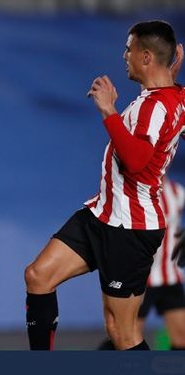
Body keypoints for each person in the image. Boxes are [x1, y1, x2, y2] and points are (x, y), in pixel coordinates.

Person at [24, 20, 185, 350]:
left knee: (121, 332)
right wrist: (171, 71)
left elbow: (137, 164)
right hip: (102, 215)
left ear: (146, 58)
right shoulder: (173, 96)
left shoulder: (155, 107)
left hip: (131, 229)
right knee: (38, 276)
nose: (123, 55)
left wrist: (108, 110)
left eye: (129, 49)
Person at [98, 176, 185, 350]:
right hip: (138, 278)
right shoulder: (129, 193)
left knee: (182, 337)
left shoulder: (178, 193)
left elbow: (174, 225)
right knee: (125, 336)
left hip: (169, 276)